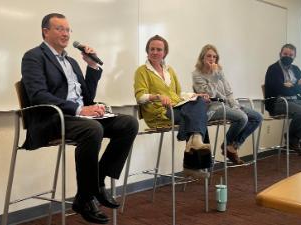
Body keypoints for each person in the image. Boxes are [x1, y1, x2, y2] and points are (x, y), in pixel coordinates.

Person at [21, 13, 138, 224]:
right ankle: (85, 199)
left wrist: (91, 67)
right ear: (45, 31)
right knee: (93, 129)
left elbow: (87, 97)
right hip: (52, 119)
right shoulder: (33, 57)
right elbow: (38, 94)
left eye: (68, 30)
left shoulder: (73, 62)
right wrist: (79, 110)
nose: (65, 34)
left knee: (128, 123)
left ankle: (97, 182)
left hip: (77, 117)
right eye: (59, 29)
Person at [134, 35, 212, 177]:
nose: (155, 52)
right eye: (152, 49)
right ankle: (192, 161)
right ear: (147, 51)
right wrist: (157, 96)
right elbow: (140, 97)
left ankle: (195, 142)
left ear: (165, 52)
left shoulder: (169, 70)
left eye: (159, 49)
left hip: (176, 108)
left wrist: (194, 95)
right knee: (198, 118)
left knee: (199, 103)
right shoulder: (142, 71)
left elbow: (178, 94)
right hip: (159, 112)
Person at [193, 44, 263, 164]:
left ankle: (232, 146)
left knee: (257, 117)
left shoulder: (219, 71)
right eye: (209, 56)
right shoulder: (197, 74)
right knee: (242, 117)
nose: (212, 59)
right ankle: (228, 146)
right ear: (202, 58)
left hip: (228, 104)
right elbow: (209, 94)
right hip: (212, 107)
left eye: (214, 57)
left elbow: (228, 91)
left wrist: (235, 105)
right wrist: (214, 76)